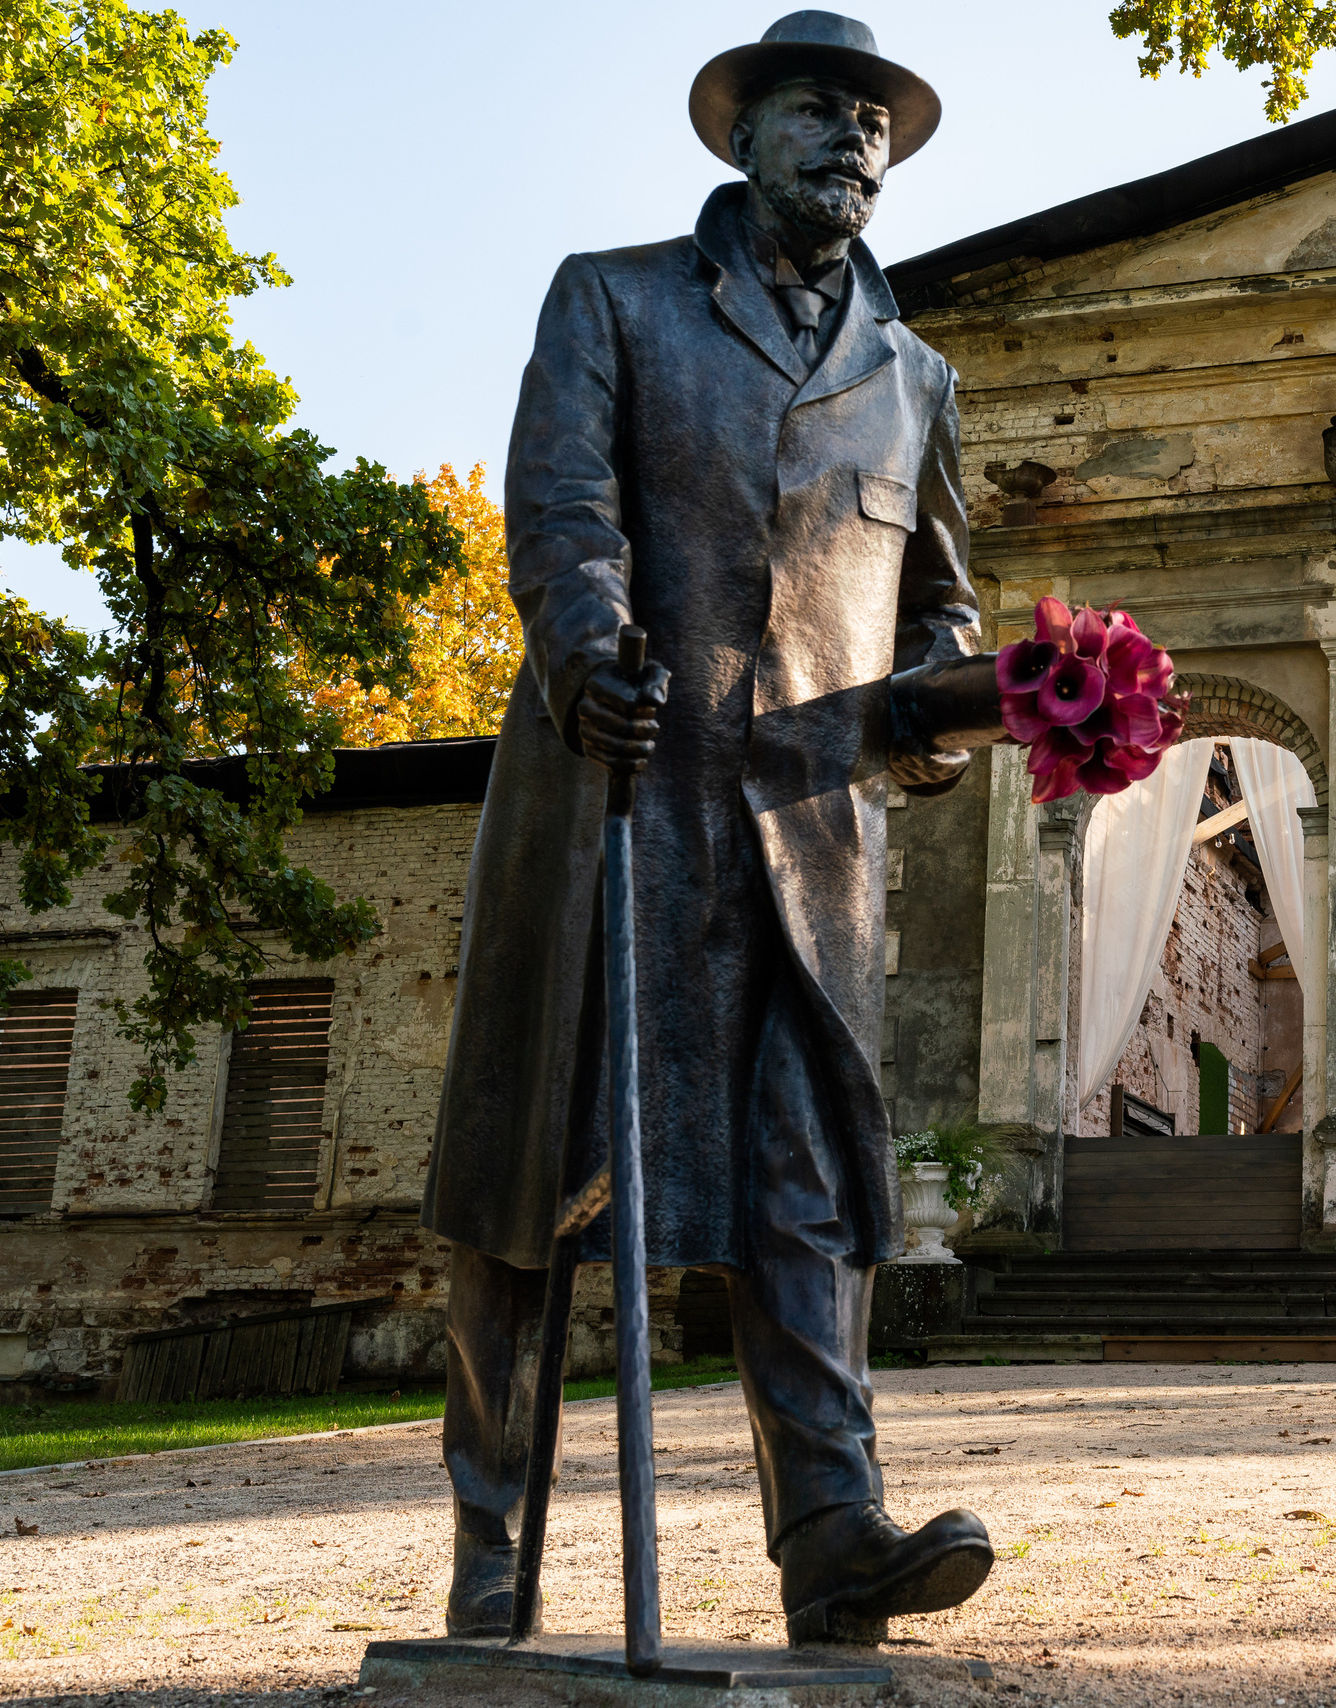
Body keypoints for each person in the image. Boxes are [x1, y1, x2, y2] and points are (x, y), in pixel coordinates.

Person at [420, 12, 1004, 1646]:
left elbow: (940, 609)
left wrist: (953, 709)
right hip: (621, 790)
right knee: (533, 1173)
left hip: (808, 839)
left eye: (879, 121)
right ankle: (490, 1551)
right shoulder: (613, 299)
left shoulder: (916, 379)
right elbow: (563, 507)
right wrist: (587, 641)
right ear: (741, 135)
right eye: (822, 111)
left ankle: (831, 1534)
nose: (857, 140)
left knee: (807, 1182)